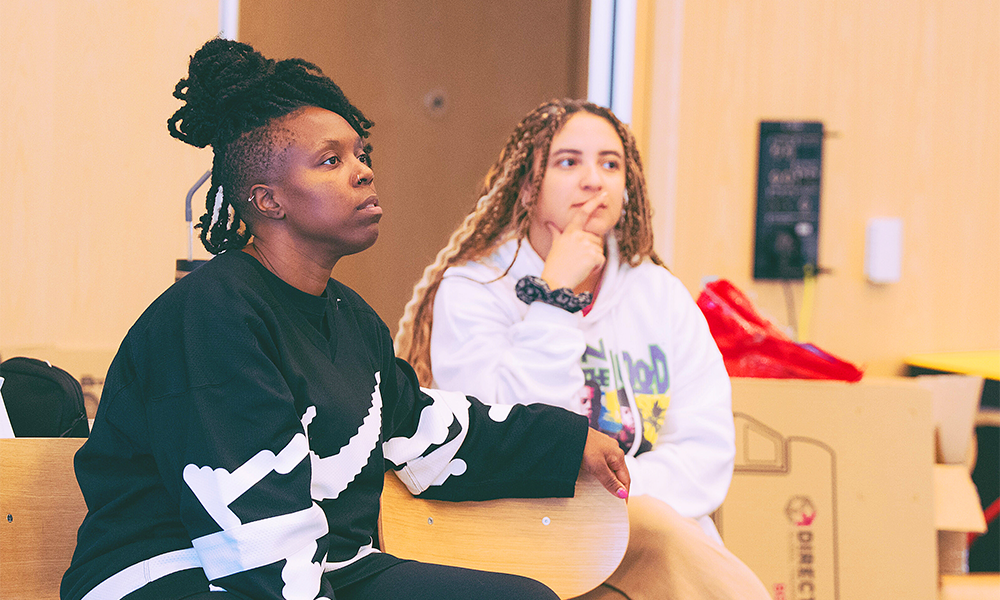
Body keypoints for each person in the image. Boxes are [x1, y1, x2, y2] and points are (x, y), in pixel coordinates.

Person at [60, 40, 630, 600]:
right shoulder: (212, 314)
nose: (362, 173)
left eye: (362, 155)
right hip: (178, 573)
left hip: (328, 569)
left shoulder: (351, 318)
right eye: (331, 160)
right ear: (267, 199)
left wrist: (565, 441)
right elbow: (252, 538)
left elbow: (422, 426)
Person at [396, 99, 770, 600]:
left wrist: (605, 497)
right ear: (528, 186)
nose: (594, 180)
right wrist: (553, 301)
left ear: (627, 189)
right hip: (519, 528)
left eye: (610, 164)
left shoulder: (659, 295)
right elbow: (504, 441)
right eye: (569, 162)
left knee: (662, 538)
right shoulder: (474, 289)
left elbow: (706, 454)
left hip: (652, 529)